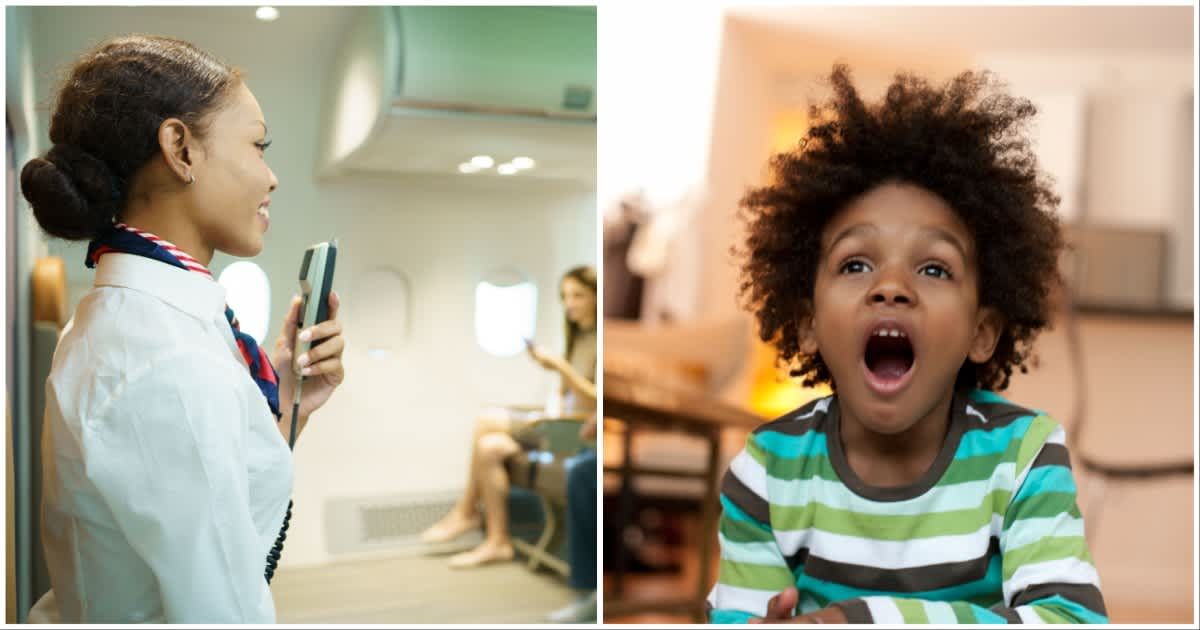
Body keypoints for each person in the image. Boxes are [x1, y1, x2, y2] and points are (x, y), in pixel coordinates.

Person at [707, 65, 1107, 624]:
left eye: (934, 268)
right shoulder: (767, 471)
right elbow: (739, 616)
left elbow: (1072, 619)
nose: (891, 287)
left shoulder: (1023, 457)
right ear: (809, 325)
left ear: (981, 333)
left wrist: (869, 619)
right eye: (855, 263)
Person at [19, 35, 345, 623]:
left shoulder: (131, 319)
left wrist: (291, 399)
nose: (272, 177)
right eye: (258, 145)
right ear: (181, 148)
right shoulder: (166, 358)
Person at [420, 266, 597, 568]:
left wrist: (560, 367)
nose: (570, 303)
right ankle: (497, 541)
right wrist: (549, 366)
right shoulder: (578, 338)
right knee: (488, 448)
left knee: (486, 420)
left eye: (578, 295)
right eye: (565, 296)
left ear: (596, 296)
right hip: (560, 419)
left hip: (574, 430)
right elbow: (570, 392)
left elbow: (596, 400)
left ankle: (466, 511)